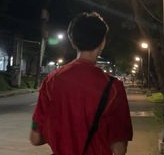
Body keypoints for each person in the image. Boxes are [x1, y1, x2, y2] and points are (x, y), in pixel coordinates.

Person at [30, 11, 133, 154]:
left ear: (72, 41)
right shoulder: (114, 87)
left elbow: (35, 138)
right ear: (102, 43)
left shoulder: (51, 81)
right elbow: (119, 149)